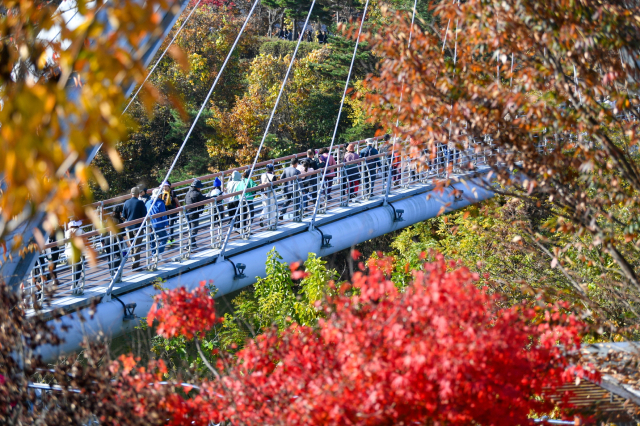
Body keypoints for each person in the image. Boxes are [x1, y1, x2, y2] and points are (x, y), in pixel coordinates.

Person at [122, 187, 147, 270]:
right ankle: (135, 264)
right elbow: (145, 214)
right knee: (137, 246)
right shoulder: (140, 203)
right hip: (138, 227)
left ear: (131, 194)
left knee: (131, 246)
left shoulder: (126, 202)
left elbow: (124, 216)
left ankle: (133, 261)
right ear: (138, 194)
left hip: (128, 227)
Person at [184, 179, 211, 250]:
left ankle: (193, 243)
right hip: (194, 213)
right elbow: (204, 199)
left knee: (190, 229)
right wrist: (214, 197)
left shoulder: (188, 192)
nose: (200, 188)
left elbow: (185, 201)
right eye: (199, 187)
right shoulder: (197, 193)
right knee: (194, 230)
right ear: (197, 187)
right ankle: (188, 245)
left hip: (187, 212)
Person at [145, 188, 168, 262]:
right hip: (159, 224)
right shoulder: (160, 203)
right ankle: (158, 252)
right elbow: (163, 215)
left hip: (150, 225)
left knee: (153, 241)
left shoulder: (148, 203)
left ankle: (153, 255)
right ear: (159, 195)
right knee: (164, 238)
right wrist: (166, 224)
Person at [65, 219, 84, 291]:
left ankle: (74, 284)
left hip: (68, 253)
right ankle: (75, 284)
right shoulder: (80, 231)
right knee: (78, 268)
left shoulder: (67, 232)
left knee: (73, 269)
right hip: (77, 252)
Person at [160, 181, 181, 247]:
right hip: (164, 211)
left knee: (171, 224)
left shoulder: (172, 192)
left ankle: (171, 239)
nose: (165, 187)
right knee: (165, 225)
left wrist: (180, 207)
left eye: (166, 186)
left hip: (172, 210)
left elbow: (176, 200)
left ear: (169, 186)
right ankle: (166, 238)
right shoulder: (161, 193)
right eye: (163, 186)